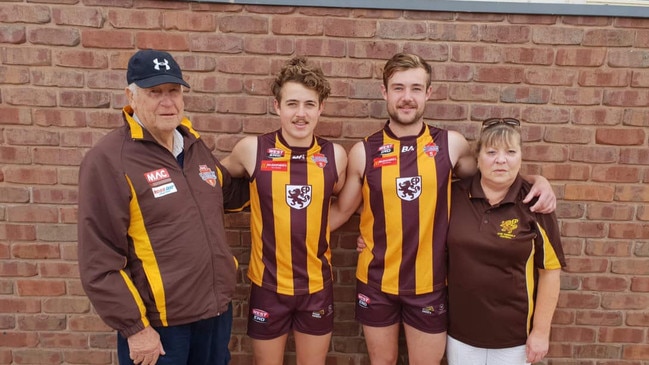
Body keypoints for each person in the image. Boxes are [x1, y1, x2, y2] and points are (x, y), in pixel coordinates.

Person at [328, 53, 556, 365]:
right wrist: (285, 224)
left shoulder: (450, 145)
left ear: (428, 93)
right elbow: (342, 211)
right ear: (384, 92)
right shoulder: (363, 152)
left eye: (416, 88)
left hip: (430, 285)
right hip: (376, 281)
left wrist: (537, 180)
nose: (407, 97)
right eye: (398, 88)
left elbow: (493, 170)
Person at [77, 49, 248, 365]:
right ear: (131, 96)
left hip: (214, 314)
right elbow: (98, 262)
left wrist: (268, 167)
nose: (167, 102)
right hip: (161, 327)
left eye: (174, 91)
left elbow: (231, 196)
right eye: (155, 92)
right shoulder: (109, 160)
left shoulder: (193, 146)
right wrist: (136, 328)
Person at [221, 56, 347, 365]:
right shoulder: (252, 151)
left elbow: (346, 202)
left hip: (316, 287)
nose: (300, 114)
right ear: (277, 106)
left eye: (309, 104)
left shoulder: (335, 156)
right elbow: (213, 184)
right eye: (292, 104)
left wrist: (319, 227)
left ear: (321, 108)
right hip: (268, 287)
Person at [446, 118, 565, 365]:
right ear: (477, 158)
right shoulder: (453, 195)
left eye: (510, 152)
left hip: (515, 339)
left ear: (520, 157)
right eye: (491, 152)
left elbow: (550, 271)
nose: (501, 160)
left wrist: (541, 332)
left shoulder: (535, 202)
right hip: (460, 333)